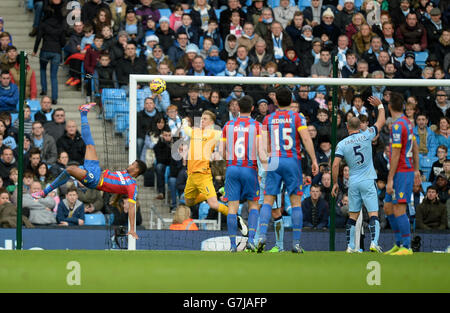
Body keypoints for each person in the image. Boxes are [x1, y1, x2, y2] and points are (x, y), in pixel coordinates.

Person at [31, 103, 147, 240]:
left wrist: (132, 229)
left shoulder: (132, 186)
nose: (130, 164)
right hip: (96, 170)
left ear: (137, 170)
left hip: (95, 180)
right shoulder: (125, 175)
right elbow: (117, 189)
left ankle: (44, 192)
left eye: (133, 164)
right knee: (90, 144)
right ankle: (83, 113)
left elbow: (132, 208)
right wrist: (115, 200)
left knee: (69, 169)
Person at [256, 87, 319, 253]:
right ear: (291, 100)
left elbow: (264, 145)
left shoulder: (268, 119)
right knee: (296, 202)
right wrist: (314, 160)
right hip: (292, 161)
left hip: (275, 160)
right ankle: (296, 244)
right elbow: (306, 138)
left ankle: (262, 236)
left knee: (268, 200)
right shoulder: (297, 117)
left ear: (276, 101)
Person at [331, 95, 386, 253]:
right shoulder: (367, 134)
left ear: (348, 127)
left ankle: (350, 246)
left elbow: (335, 164)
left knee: (352, 216)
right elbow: (381, 122)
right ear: (359, 127)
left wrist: (335, 183)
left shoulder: (341, 144)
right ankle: (374, 243)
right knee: (373, 213)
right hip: (368, 180)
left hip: (353, 182)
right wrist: (380, 105)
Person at [181, 110, 247, 234]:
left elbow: (228, 134)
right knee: (188, 202)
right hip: (190, 176)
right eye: (201, 119)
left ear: (211, 122)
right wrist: (184, 121)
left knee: (213, 204)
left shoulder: (214, 133)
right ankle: (214, 193)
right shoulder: (195, 132)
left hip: (203, 175)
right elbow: (186, 129)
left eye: (205, 119)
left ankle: (236, 217)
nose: (202, 121)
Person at [220, 96, 266, 252]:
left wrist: (232, 161)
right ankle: (251, 240)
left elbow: (221, 152)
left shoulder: (228, 125)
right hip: (250, 169)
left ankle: (233, 246)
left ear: (238, 108)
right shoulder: (257, 126)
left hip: (232, 168)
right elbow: (260, 151)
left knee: (232, 208)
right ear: (252, 108)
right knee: (253, 205)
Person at [382, 92, 421, 255]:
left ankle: (406, 246)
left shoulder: (398, 125)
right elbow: (416, 147)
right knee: (388, 207)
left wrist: (390, 179)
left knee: (399, 208)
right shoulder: (407, 123)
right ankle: (398, 244)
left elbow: (396, 154)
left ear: (389, 107)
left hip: (402, 171)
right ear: (403, 106)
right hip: (405, 170)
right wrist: (417, 169)